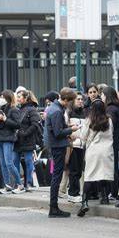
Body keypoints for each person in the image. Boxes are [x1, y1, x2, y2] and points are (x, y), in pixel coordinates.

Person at [45, 88, 79, 218]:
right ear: (65, 100)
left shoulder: (55, 108)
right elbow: (58, 132)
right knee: (57, 177)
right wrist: (71, 130)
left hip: (56, 145)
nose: (70, 104)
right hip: (57, 146)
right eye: (70, 101)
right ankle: (53, 208)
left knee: (57, 176)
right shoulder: (57, 111)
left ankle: (54, 207)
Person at [78, 99, 114, 217]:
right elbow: (111, 134)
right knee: (103, 174)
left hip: (93, 151)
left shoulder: (89, 120)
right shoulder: (109, 120)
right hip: (106, 150)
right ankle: (104, 198)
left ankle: (84, 203)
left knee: (89, 176)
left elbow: (83, 135)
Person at [0, 90, 24, 194]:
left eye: (3, 97)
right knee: (3, 164)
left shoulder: (14, 109)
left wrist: (5, 119)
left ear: (8, 98)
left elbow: (18, 124)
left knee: (9, 163)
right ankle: (8, 185)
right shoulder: (1, 109)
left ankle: (19, 184)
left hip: (8, 139)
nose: (1, 99)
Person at [14, 90, 40, 190]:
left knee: (29, 161)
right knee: (14, 160)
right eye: (17, 96)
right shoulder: (16, 109)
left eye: (19, 97)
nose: (17, 98)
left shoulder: (31, 109)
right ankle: (18, 183)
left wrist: (25, 134)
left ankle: (28, 182)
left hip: (28, 139)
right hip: (17, 140)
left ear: (25, 98)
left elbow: (34, 124)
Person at [101, 86, 119, 201]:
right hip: (116, 140)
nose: (101, 97)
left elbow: (108, 126)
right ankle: (114, 192)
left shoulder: (110, 109)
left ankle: (113, 192)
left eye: (102, 95)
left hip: (112, 141)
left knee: (112, 167)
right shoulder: (117, 107)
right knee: (114, 166)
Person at [65, 92, 86, 203]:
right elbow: (63, 126)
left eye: (82, 99)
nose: (80, 101)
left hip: (82, 145)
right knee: (73, 170)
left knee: (78, 170)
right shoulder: (68, 112)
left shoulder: (84, 113)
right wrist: (69, 136)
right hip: (72, 145)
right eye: (78, 99)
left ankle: (74, 192)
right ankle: (73, 193)